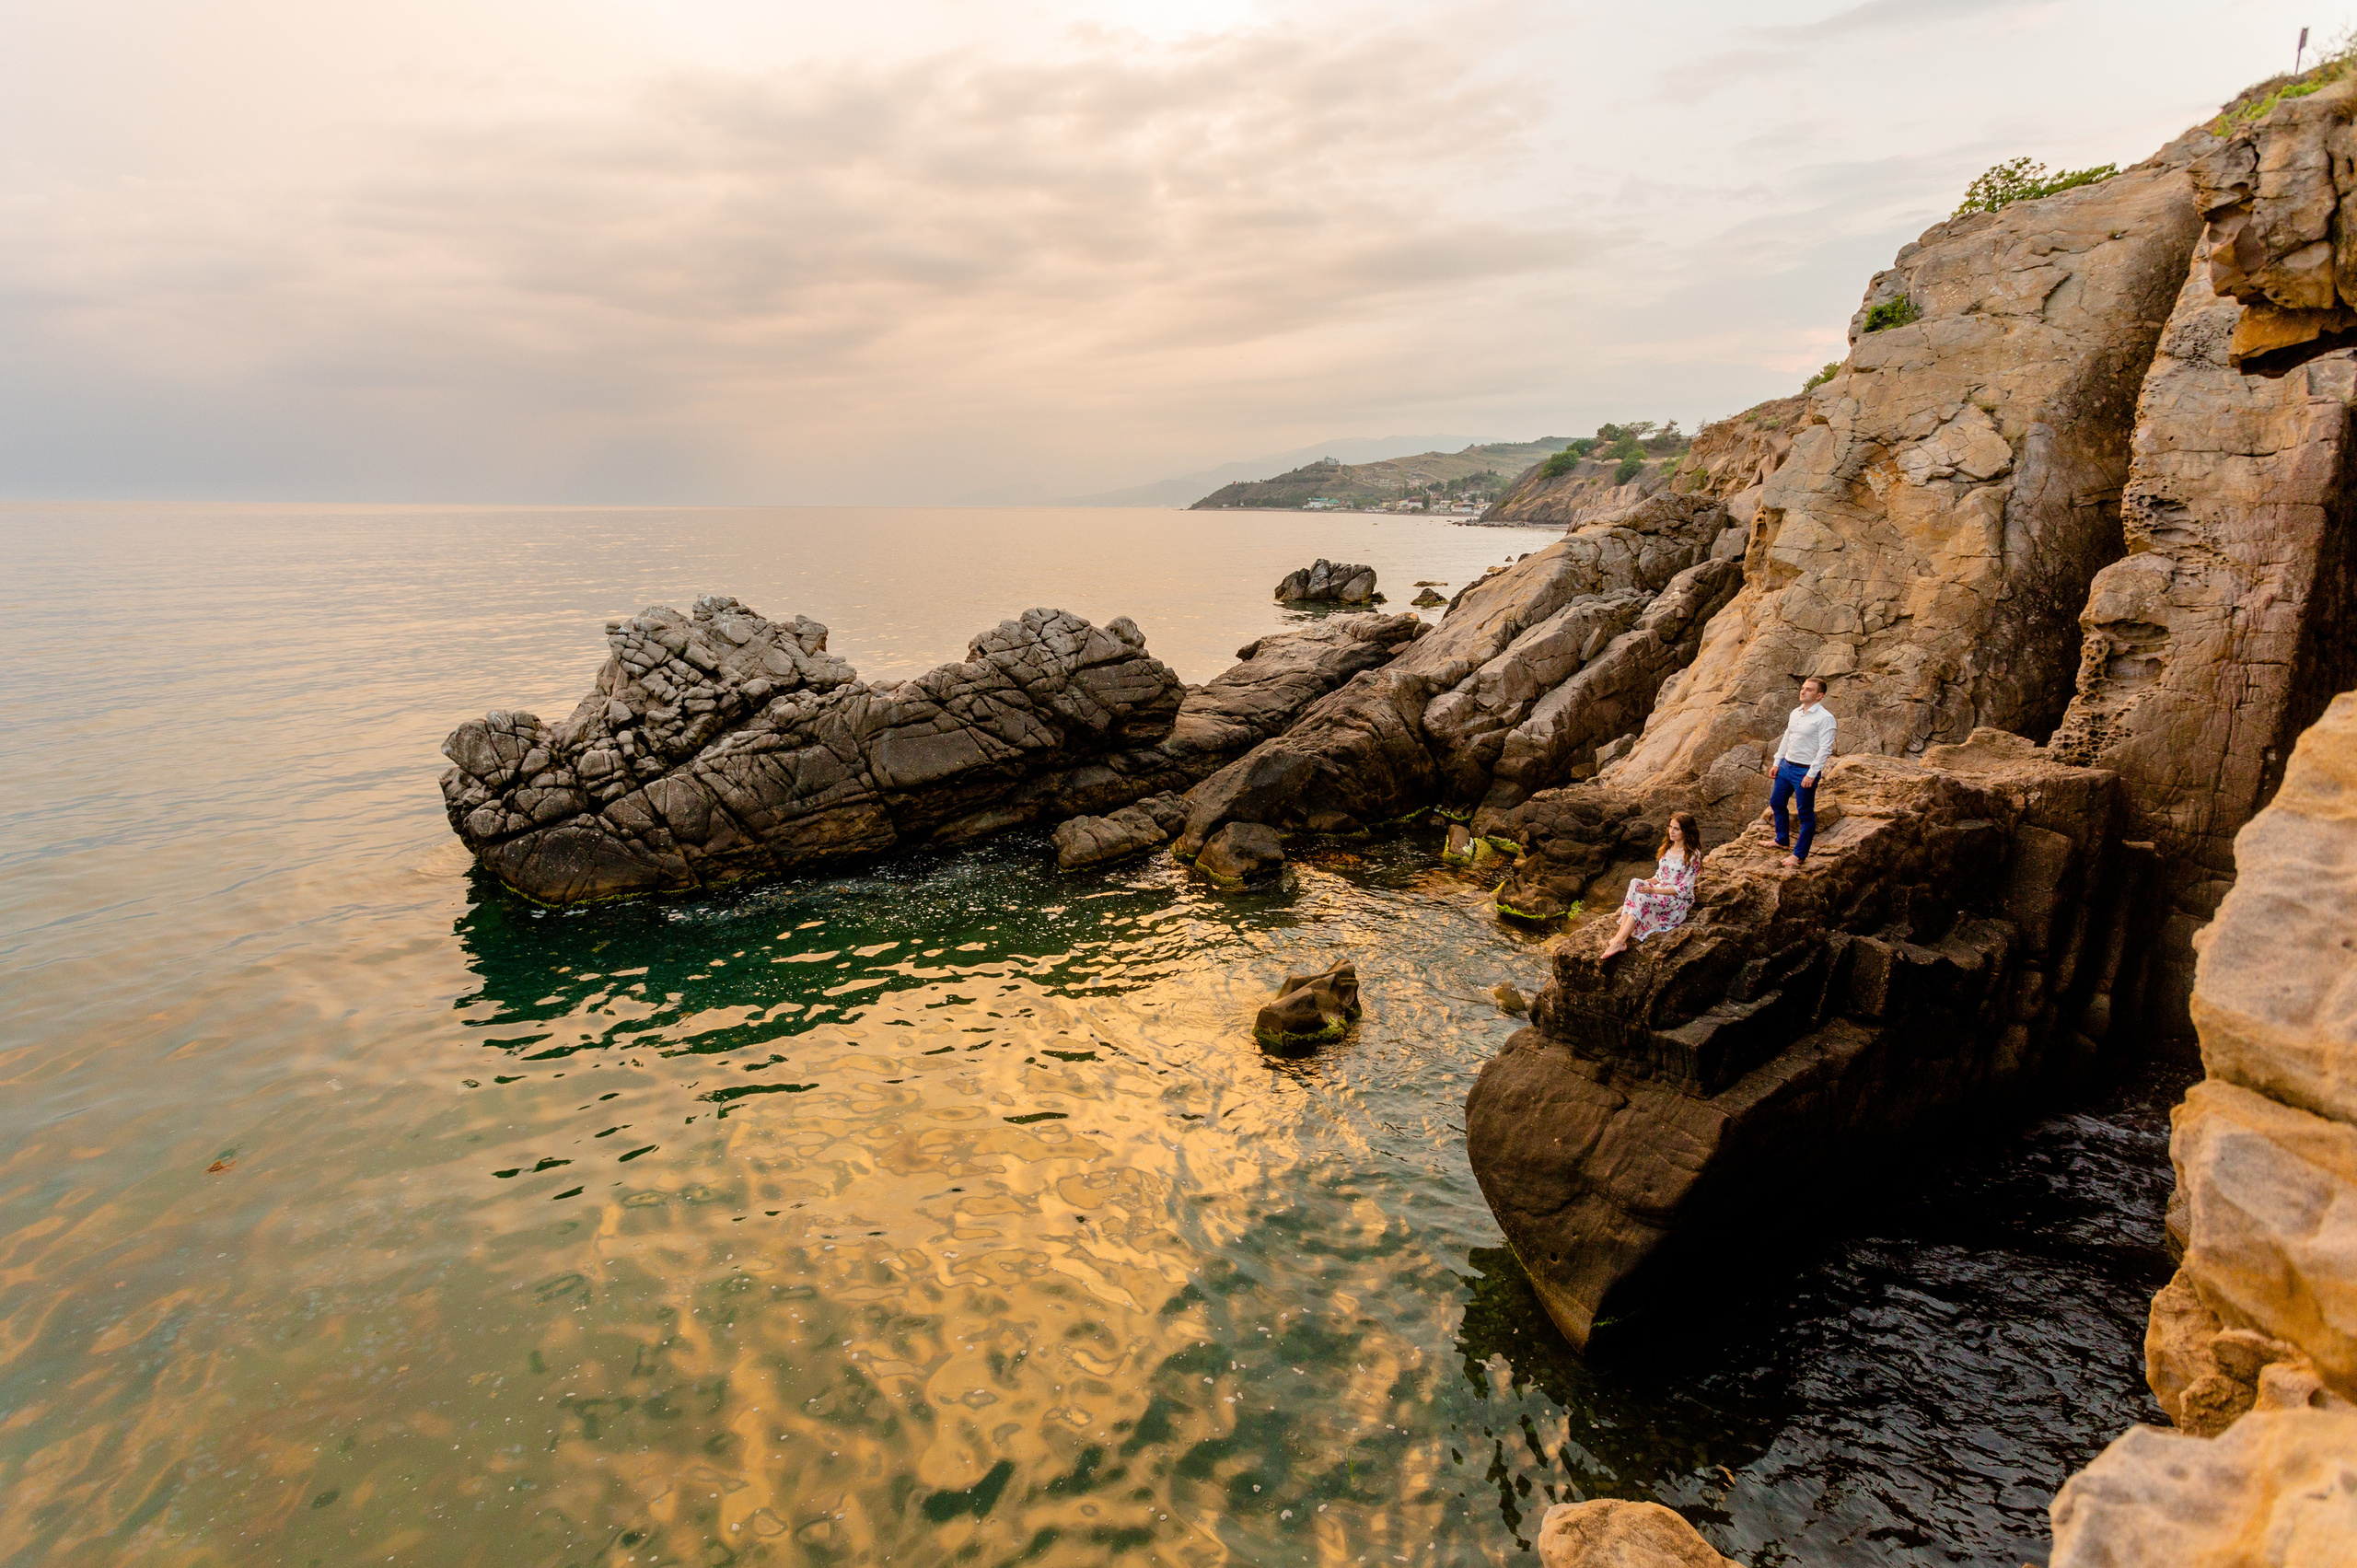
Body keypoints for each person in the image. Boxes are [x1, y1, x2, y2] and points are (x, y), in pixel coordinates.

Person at [1600, 813, 1701, 960]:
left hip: (1676, 900)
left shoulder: (1693, 855)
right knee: (1635, 883)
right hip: (1661, 889)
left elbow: (1684, 889)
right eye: (1670, 827)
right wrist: (1643, 885)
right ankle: (1620, 936)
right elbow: (1659, 876)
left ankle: (1620, 940)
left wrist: (1652, 891)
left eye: (1676, 829)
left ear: (1686, 831)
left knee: (1642, 896)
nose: (1671, 831)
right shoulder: (1668, 848)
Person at [1766, 676, 1835, 868]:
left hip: (1805, 770)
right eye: (1803, 688)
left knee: (1805, 814)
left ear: (1820, 696)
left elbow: (1825, 749)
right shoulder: (1795, 713)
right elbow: (1787, 737)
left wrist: (1811, 774)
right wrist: (1777, 762)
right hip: (1786, 766)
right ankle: (1781, 840)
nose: (1803, 691)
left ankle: (1799, 855)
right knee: (1776, 802)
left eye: (1809, 690)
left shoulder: (1825, 719)